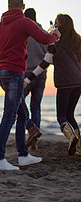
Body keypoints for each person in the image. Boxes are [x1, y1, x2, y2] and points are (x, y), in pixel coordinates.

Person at [0, 0, 60, 171]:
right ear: (22, 6)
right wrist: (55, 35)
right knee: (9, 116)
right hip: (15, 74)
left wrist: (1, 52)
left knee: (22, 114)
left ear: (8, 6)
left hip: (1, 73)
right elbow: (45, 39)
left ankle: (23, 155)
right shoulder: (25, 22)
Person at [25, 14, 81, 156]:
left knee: (61, 116)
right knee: (70, 115)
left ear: (61, 26)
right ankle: (79, 148)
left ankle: (71, 138)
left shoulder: (54, 43)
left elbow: (45, 63)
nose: (54, 27)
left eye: (56, 24)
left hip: (64, 83)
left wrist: (29, 78)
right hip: (78, 82)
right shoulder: (77, 40)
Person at [23, 8, 47, 151]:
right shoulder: (44, 33)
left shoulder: (25, 33)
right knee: (35, 107)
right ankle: (33, 141)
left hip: (27, 74)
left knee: (18, 102)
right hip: (42, 74)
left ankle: (30, 127)